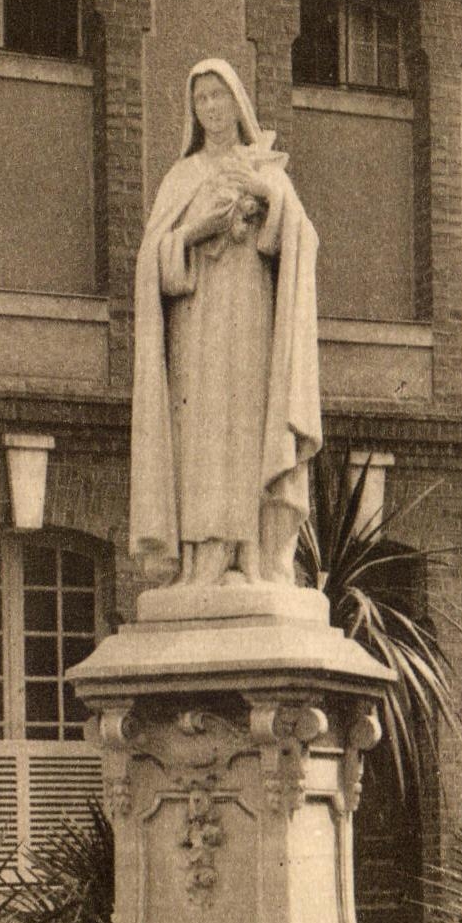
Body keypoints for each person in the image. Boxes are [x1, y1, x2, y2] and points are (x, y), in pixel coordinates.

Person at [130, 58, 322, 588]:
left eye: (219, 96)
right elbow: (152, 264)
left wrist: (265, 196)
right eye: (202, 100)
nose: (212, 108)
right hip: (197, 325)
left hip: (252, 317)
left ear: (237, 104)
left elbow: (302, 241)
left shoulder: (266, 167)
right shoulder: (182, 175)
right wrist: (196, 231)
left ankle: (253, 553)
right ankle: (206, 559)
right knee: (202, 434)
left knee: (248, 425)